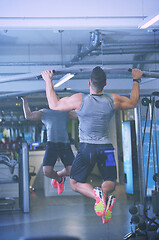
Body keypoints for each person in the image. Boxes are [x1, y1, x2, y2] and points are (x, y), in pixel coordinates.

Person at [41, 66, 143, 223]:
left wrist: (48, 80)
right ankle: (104, 197)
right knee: (110, 181)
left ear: (89, 83)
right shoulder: (113, 99)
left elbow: (54, 105)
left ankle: (97, 194)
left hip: (87, 149)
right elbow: (134, 102)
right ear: (106, 83)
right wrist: (136, 80)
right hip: (107, 149)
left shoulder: (80, 99)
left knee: (75, 183)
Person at [21, 96, 77, 194]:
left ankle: (59, 175)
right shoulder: (44, 112)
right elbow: (28, 116)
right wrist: (24, 100)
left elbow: (79, 115)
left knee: (72, 171)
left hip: (65, 145)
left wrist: (79, 102)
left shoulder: (65, 112)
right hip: (52, 145)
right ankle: (59, 179)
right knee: (47, 171)